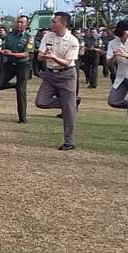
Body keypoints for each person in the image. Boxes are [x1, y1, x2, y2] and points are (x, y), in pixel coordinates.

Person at [35, 12, 80, 151]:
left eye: (55, 21)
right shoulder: (48, 36)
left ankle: (69, 141)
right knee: (41, 102)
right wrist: (44, 56)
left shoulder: (73, 41)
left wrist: (53, 57)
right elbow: (39, 56)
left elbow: (67, 62)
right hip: (50, 74)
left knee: (69, 112)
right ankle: (71, 103)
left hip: (67, 75)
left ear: (64, 24)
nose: (52, 24)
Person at [0, 15, 33, 123]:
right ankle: (15, 85)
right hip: (9, 63)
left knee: (21, 92)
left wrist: (12, 53)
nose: (19, 24)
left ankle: (22, 118)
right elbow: (3, 48)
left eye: (22, 22)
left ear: (26, 24)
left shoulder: (28, 37)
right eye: (18, 22)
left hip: (22, 65)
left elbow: (26, 54)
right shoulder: (10, 35)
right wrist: (4, 52)